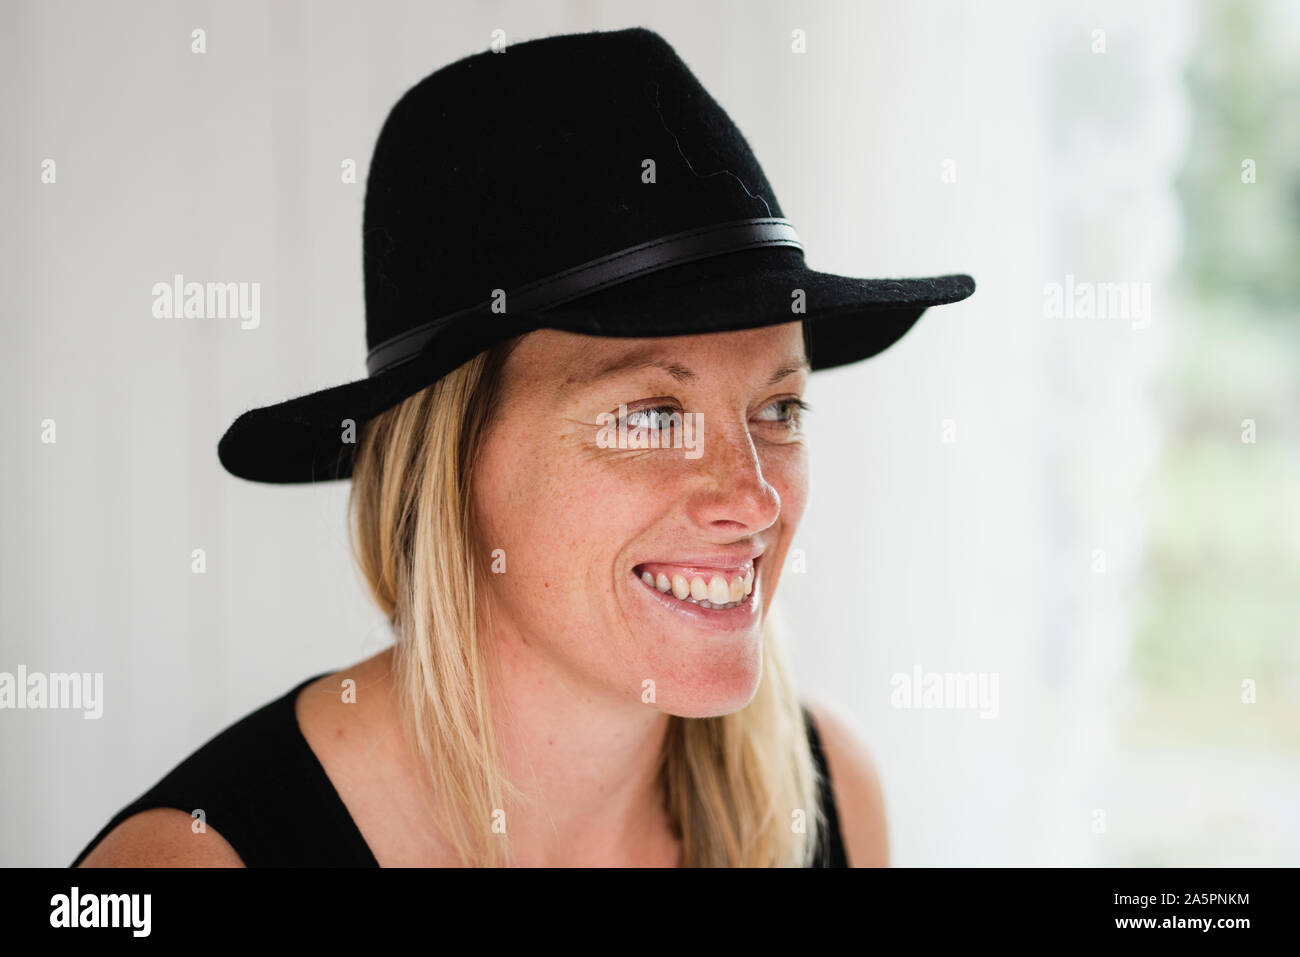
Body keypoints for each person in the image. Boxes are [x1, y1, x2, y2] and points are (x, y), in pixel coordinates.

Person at [74, 26, 973, 867]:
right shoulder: (197, 860)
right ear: (448, 466)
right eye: (653, 415)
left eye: (780, 408)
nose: (754, 498)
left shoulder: (830, 802)